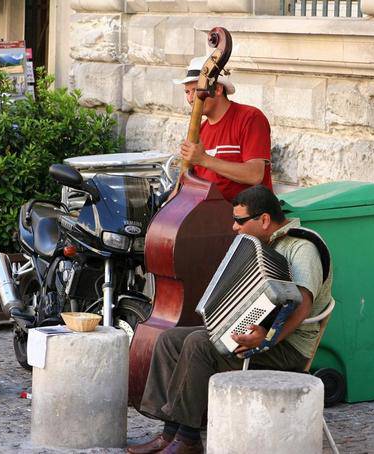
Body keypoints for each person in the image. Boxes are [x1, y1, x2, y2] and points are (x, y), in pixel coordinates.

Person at [128, 185, 334, 454]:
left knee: (199, 344)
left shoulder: (302, 248)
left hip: (288, 348)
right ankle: (170, 433)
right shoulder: (265, 245)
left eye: (239, 220)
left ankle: (188, 439)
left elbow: (302, 306)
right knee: (170, 339)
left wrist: (268, 339)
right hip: (259, 337)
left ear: (264, 220)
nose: (234, 227)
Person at [174, 57, 273, 202]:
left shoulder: (250, 117)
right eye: (187, 92)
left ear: (218, 89)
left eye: (196, 90)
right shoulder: (199, 131)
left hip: (246, 219)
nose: (191, 98)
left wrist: (204, 159)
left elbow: (255, 175)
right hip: (210, 215)